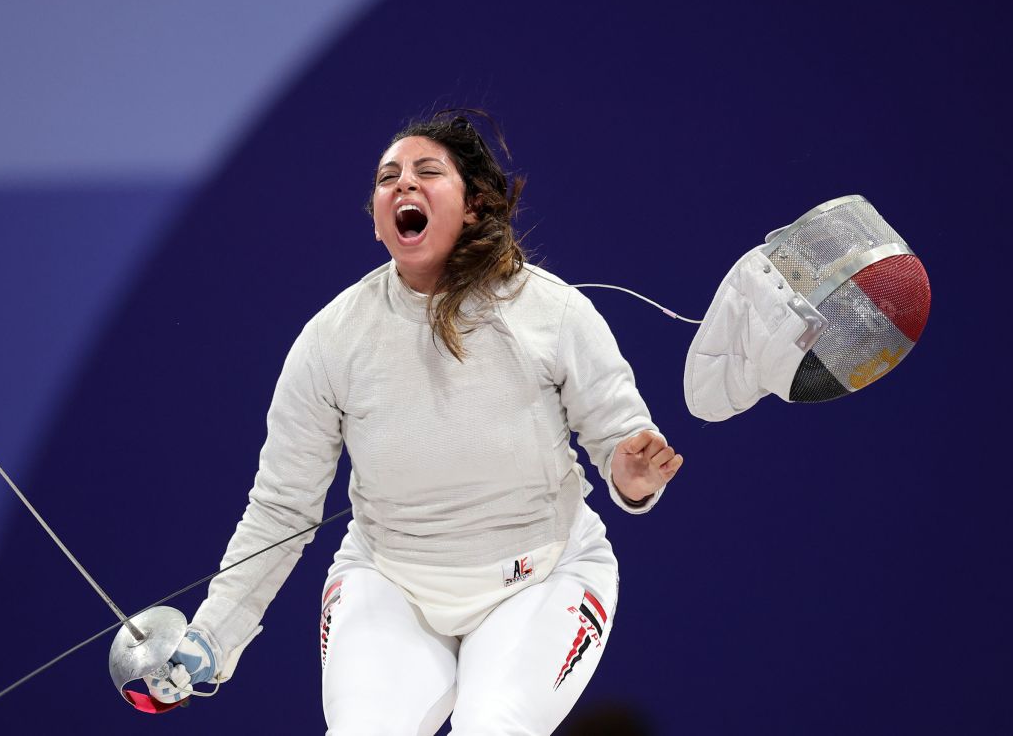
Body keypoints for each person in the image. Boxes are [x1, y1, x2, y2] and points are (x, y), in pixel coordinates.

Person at [143, 111, 684, 734]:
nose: (404, 186)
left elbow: (623, 441)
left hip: (543, 576)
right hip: (390, 583)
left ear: (475, 204)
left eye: (428, 173)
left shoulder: (553, 312)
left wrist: (633, 476)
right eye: (387, 178)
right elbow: (282, 508)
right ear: (377, 223)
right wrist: (216, 631)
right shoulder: (332, 340)